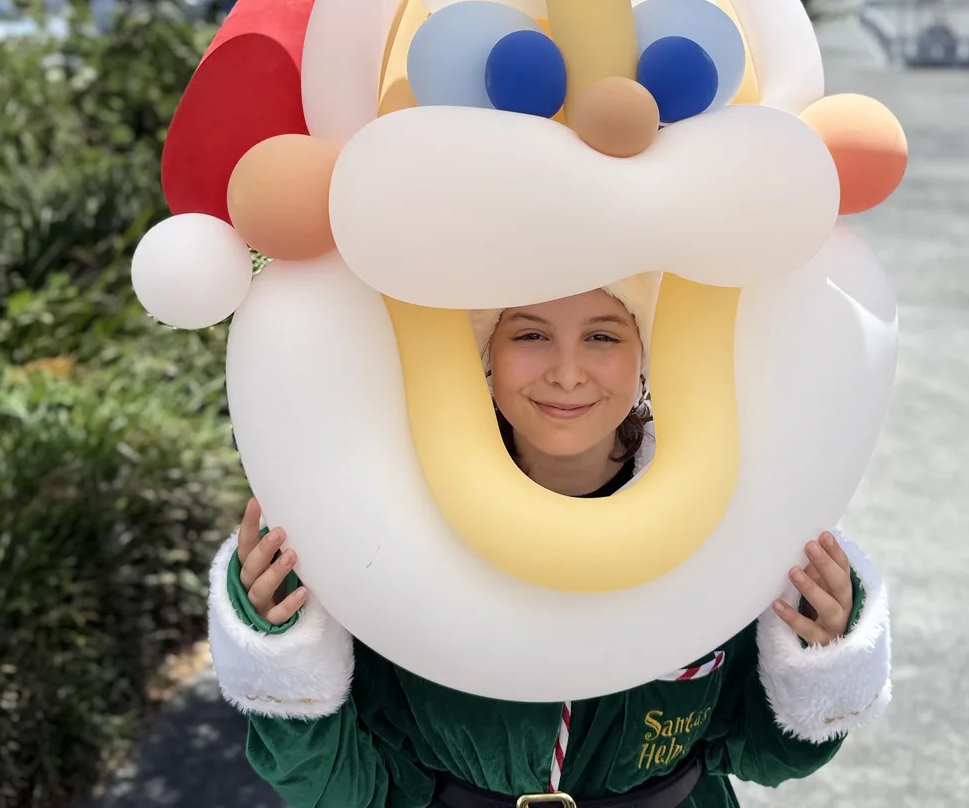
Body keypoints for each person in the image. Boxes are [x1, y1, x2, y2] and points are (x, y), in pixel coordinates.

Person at [207, 274, 892, 808]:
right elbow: (337, 790)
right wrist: (285, 666)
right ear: (484, 353)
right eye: (530, 335)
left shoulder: (733, 518)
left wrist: (821, 654)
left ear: (648, 353)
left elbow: (766, 755)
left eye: (603, 336)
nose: (567, 372)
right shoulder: (394, 527)